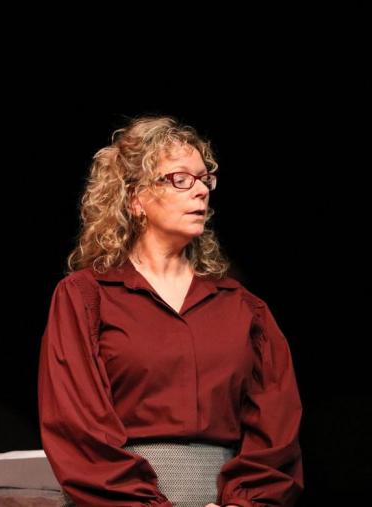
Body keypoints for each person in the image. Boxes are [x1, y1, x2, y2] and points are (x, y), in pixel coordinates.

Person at [38, 117, 302, 507]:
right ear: (135, 198)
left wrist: (241, 504)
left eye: (204, 179)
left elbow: (276, 431)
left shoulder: (244, 308)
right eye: (180, 179)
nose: (201, 190)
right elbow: (77, 428)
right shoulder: (85, 298)